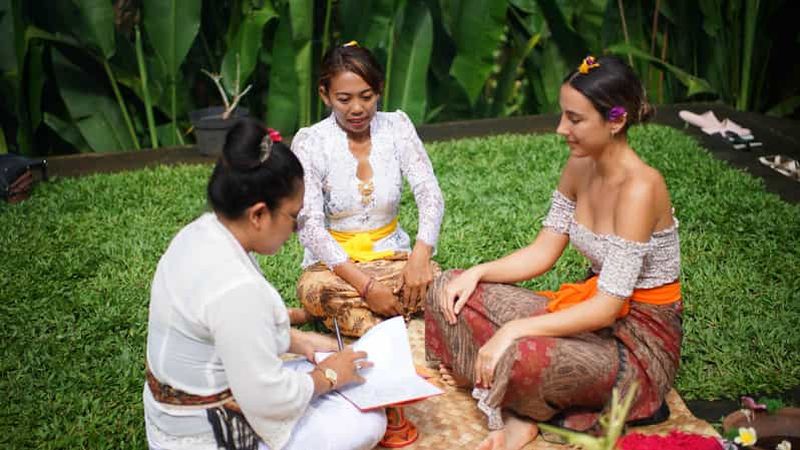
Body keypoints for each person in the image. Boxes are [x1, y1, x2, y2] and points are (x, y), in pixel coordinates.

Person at [425, 56, 682, 450]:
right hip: (589, 317)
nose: (562, 129)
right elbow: (544, 251)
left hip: (634, 344)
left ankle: (512, 404)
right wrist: (477, 272)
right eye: (564, 116)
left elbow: (608, 308)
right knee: (447, 287)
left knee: (524, 353)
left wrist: (512, 330)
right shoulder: (580, 164)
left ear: (615, 120)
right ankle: (509, 393)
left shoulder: (642, 188)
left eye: (575, 119)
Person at [143, 118, 386, 450]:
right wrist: (327, 377)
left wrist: (298, 342)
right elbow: (268, 400)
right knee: (366, 420)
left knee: (324, 373)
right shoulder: (238, 289)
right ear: (258, 214)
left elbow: (230, 332)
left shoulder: (200, 233)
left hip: (171, 419)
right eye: (293, 217)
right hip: (204, 438)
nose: (298, 230)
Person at [291, 42, 445, 337]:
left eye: (366, 96)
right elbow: (309, 226)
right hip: (336, 270)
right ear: (325, 95)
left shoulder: (397, 127)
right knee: (317, 291)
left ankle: (365, 324)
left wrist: (420, 257)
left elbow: (430, 195)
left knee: (441, 285)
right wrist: (368, 287)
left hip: (393, 258)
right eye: (344, 99)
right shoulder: (311, 142)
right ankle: (402, 327)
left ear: (379, 90)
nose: (357, 108)